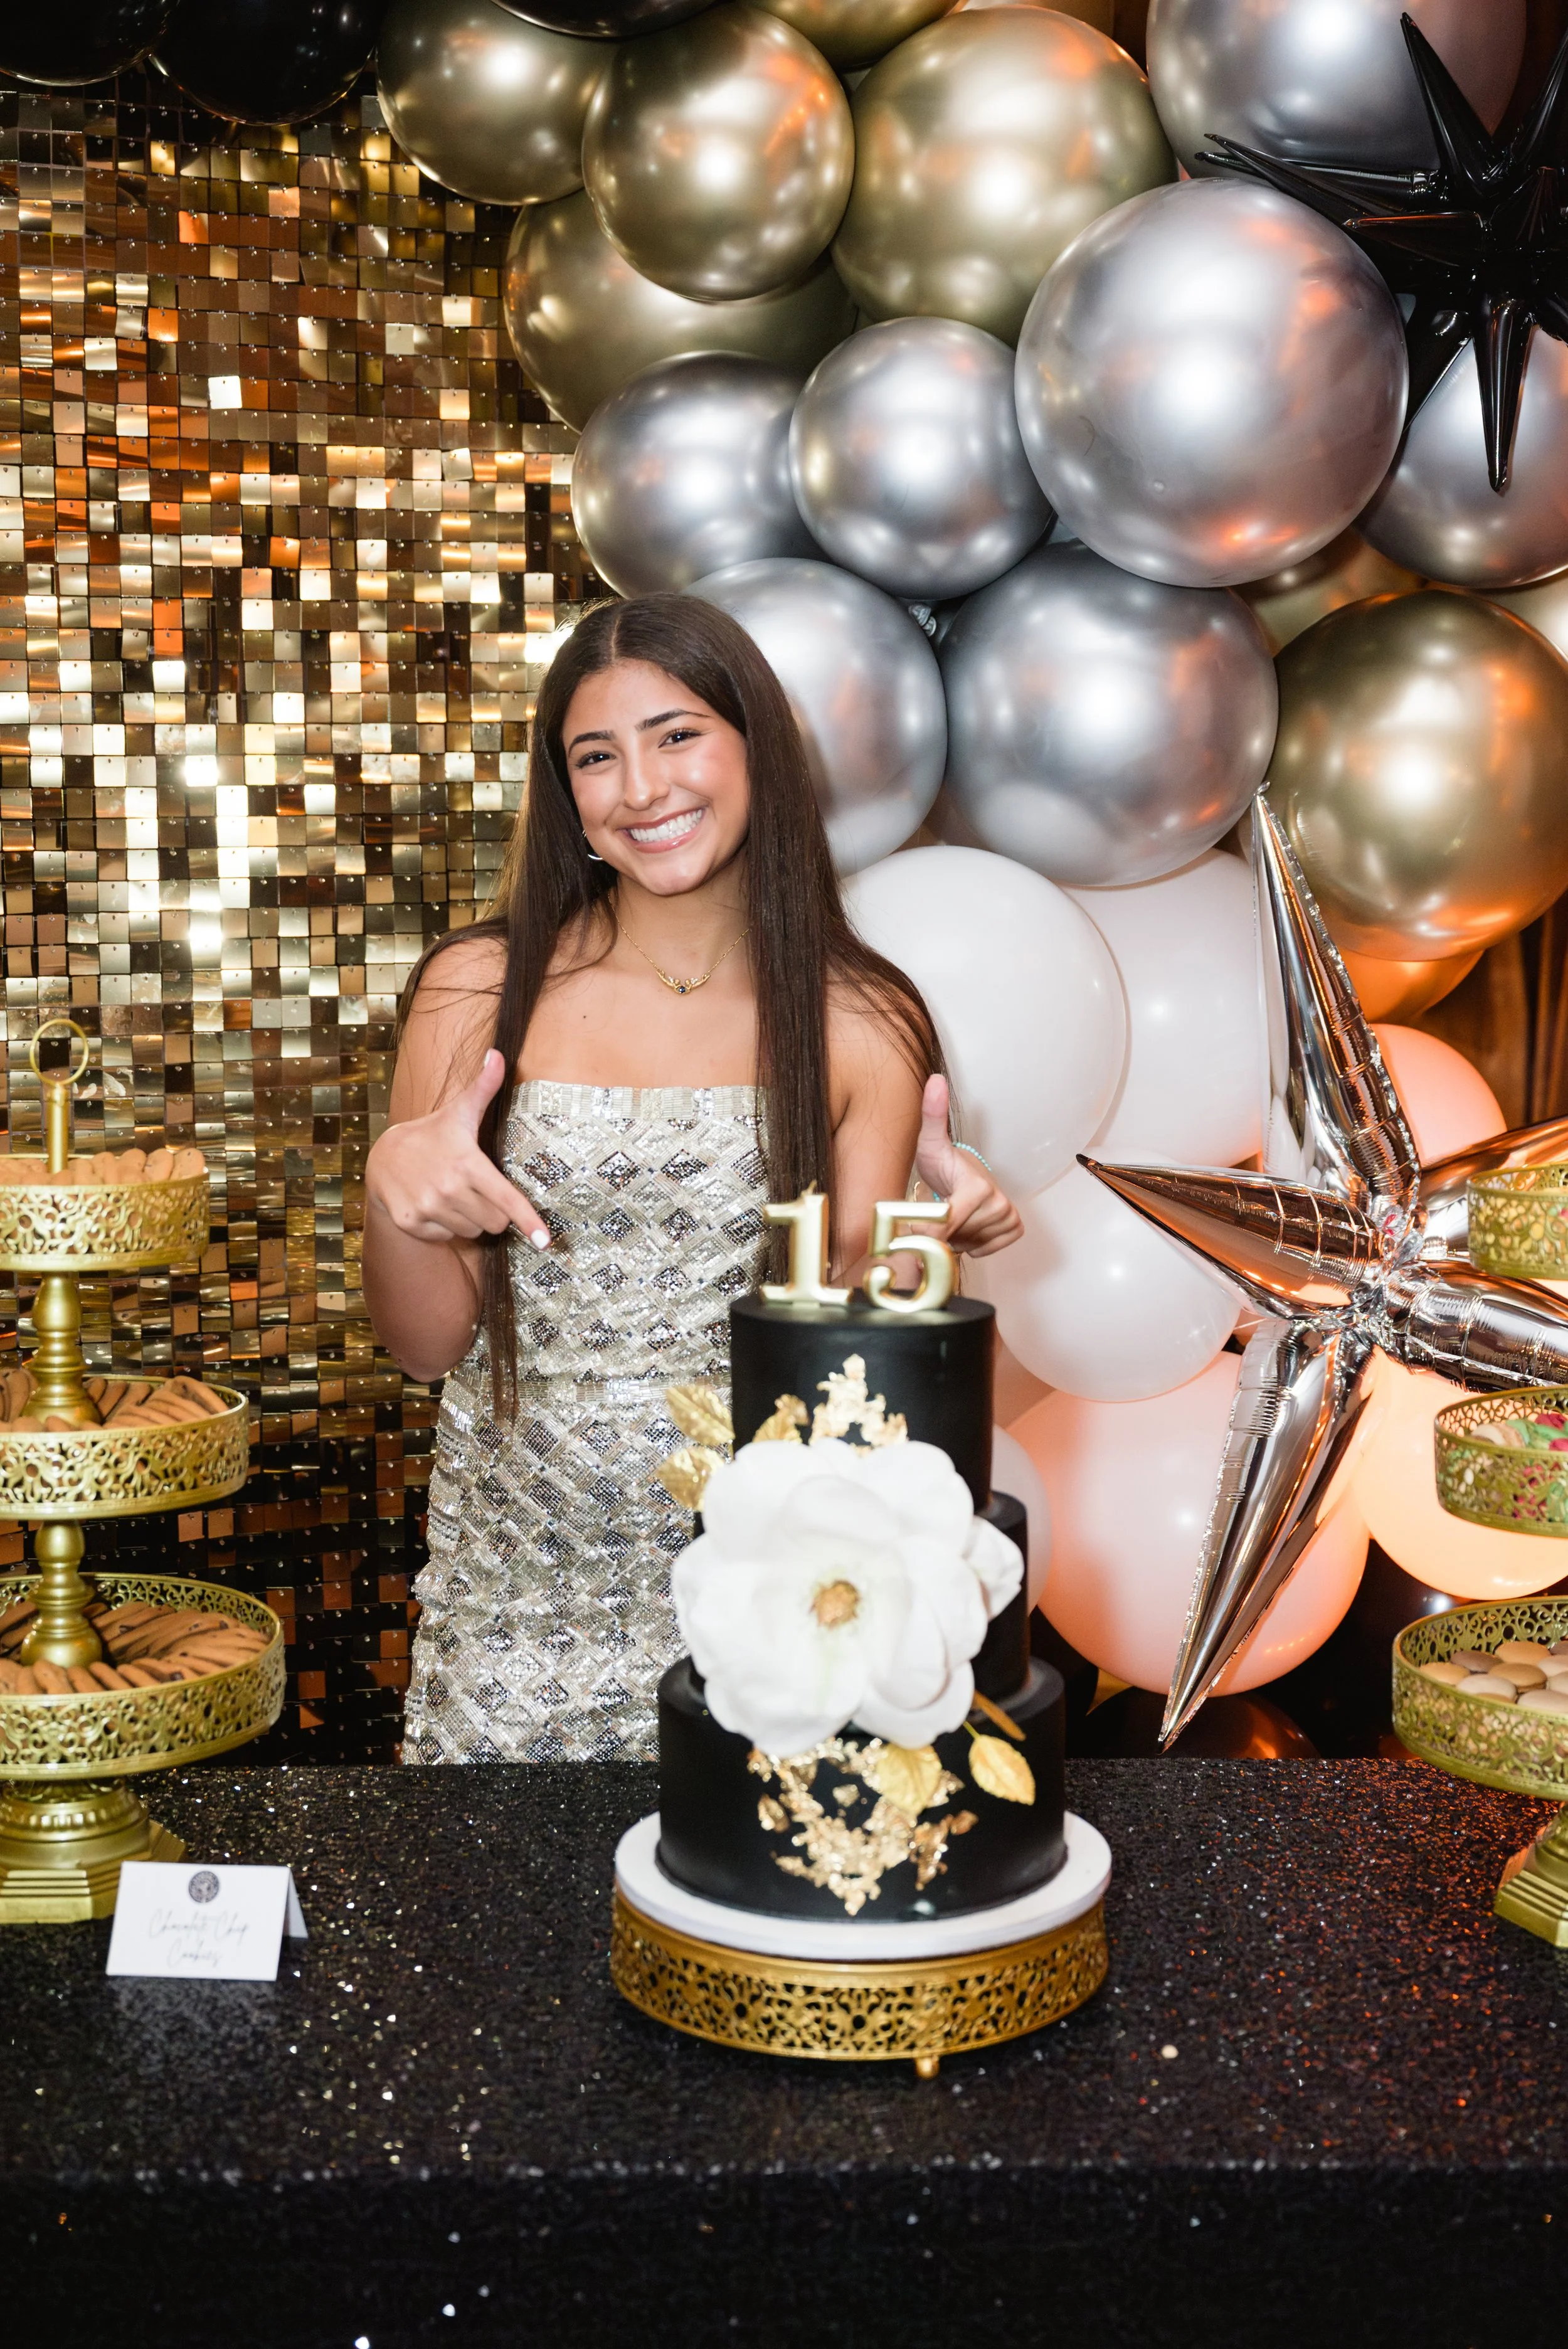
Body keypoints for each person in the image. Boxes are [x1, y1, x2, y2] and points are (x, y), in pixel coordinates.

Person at [364, 593, 1022, 1764]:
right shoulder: (478, 988)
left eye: (678, 736)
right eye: (597, 757)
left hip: (770, 1610)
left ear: (756, 749)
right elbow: (424, 1348)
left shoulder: (863, 1019)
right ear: (568, 797)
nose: (643, 787)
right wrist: (394, 1188)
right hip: (516, 1608)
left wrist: (944, 1244)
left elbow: (865, 1380)